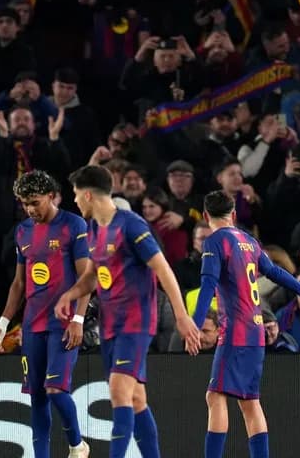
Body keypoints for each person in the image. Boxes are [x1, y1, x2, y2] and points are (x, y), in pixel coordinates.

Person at [61, 165, 201, 458]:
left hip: (136, 322)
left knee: (118, 392)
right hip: (110, 323)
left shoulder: (131, 225)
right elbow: (93, 274)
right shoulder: (94, 228)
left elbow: (163, 268)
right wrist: (70, 295)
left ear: (87, 195)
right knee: (136, 399)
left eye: (75, 195)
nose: (73, 201)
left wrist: (181, 316)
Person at [193, 190, 300, 458]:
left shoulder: (214, 242)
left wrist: (195, 325)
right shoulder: (248, 241)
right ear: (233, 215)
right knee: (249, 401)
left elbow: (208, 285)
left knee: (216, 396)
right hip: (256, 332)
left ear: (206, 215)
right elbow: (276, 272)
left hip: (235, 330)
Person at [0, 171, 90, 458]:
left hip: (64, 324)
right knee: (37, 398)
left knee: (56, 389)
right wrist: (3, 322)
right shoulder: (22, 231)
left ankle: (77, 445)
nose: (30, 209)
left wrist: (78, 320)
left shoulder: (73, 225)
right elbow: (20, 283)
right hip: (32, 324)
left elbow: (86, 278)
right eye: (24, 204)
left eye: (35, 202)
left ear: (51, 196)